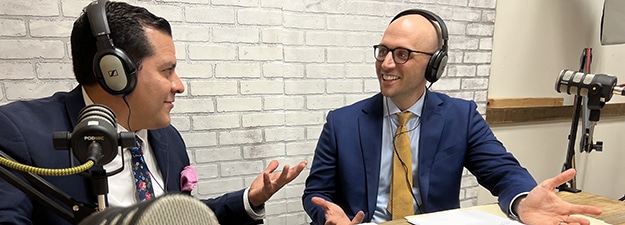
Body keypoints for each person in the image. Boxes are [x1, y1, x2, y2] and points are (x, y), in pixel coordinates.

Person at [0, 1, 306, 225]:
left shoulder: (167, 138)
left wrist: (248, 201)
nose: (179, 86)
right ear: (115, 73)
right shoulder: (20, 135)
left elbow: (174, 218)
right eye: (167, 70)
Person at [302, 9, 602, 225]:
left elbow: (501, 171)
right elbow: (317, 192)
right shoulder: (342, 122)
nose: (387, 63)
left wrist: (522, 200)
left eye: (402, 54)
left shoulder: (461, 117)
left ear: (434, 65)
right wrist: (330, 215)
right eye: (382, 51)